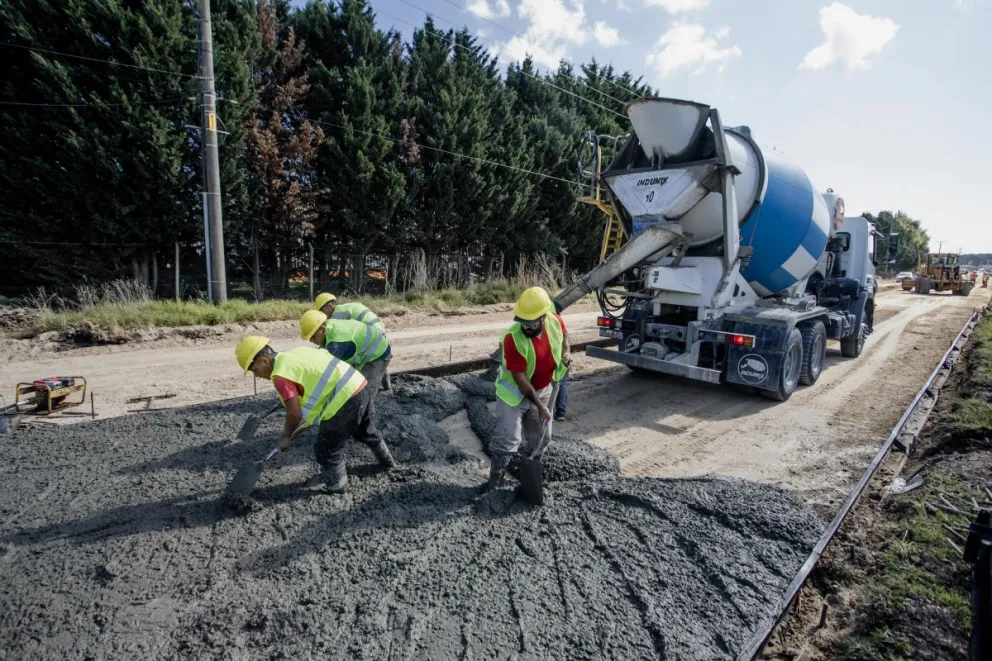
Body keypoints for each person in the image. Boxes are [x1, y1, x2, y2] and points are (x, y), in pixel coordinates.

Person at [235, 336, 396, 494]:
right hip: (359, 386)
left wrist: (285, 436)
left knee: (325, 450)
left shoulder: (280, 377)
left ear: (264, 361)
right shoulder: (295, 354)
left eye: (255, 370)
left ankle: (338, 485)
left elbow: (294, 413)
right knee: (366, 431)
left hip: (344, 400)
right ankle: (388, 462)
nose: (257, 375)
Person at [484, 286, 570, 493]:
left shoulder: (555, 321)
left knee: (541, 438)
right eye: (522, 321)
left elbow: (565, 336)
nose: (526, 327)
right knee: (508, 439)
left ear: (543, 317)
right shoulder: (512, 338)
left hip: (544, 388)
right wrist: (540, 406)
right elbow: (520, 379)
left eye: (531, 322)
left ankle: (530, 477)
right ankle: (494, 485)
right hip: (513, 394)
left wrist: (567, 351)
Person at [299, 310, 391, 402]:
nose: (311, 340)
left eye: (313, 336)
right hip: (365, 347)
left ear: (322, 328)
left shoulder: (336, 344)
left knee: (364, 395)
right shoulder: (329, 326)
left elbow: (329, 376)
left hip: (377, 353)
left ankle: (369, 414)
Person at [315, 292, 390, 390]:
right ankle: (387, 387)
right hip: (379, 330)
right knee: (378, 358)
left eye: (321, 310)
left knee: (366, 362)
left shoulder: (337, 315)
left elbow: (335, 338)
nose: (321, 314)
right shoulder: (345, 308)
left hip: (372, 334)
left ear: (330, 306)